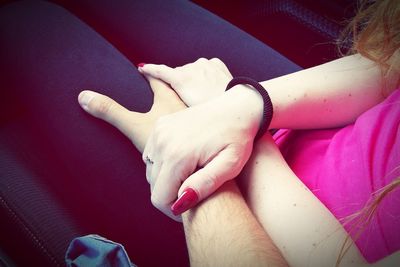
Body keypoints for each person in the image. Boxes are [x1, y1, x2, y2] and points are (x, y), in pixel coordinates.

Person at [0, 0, 398, 266]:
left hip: (237, 231)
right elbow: (392, 59)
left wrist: (201, 169)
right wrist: (246, 103)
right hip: (302, 125)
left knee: (32, 24)